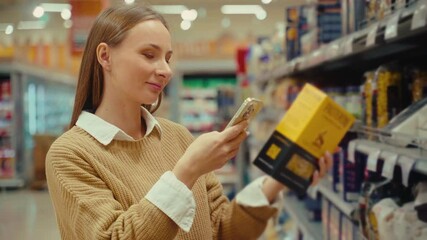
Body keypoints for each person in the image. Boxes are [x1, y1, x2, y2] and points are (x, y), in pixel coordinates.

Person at [46, 4, 333, 240]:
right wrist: (187, 171)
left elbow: (221, 228)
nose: (166, 70)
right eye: (149, 55)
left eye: (168, 58)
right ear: (105, 56)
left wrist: (278, 181)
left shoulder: (177, 137)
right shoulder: (70, 155)